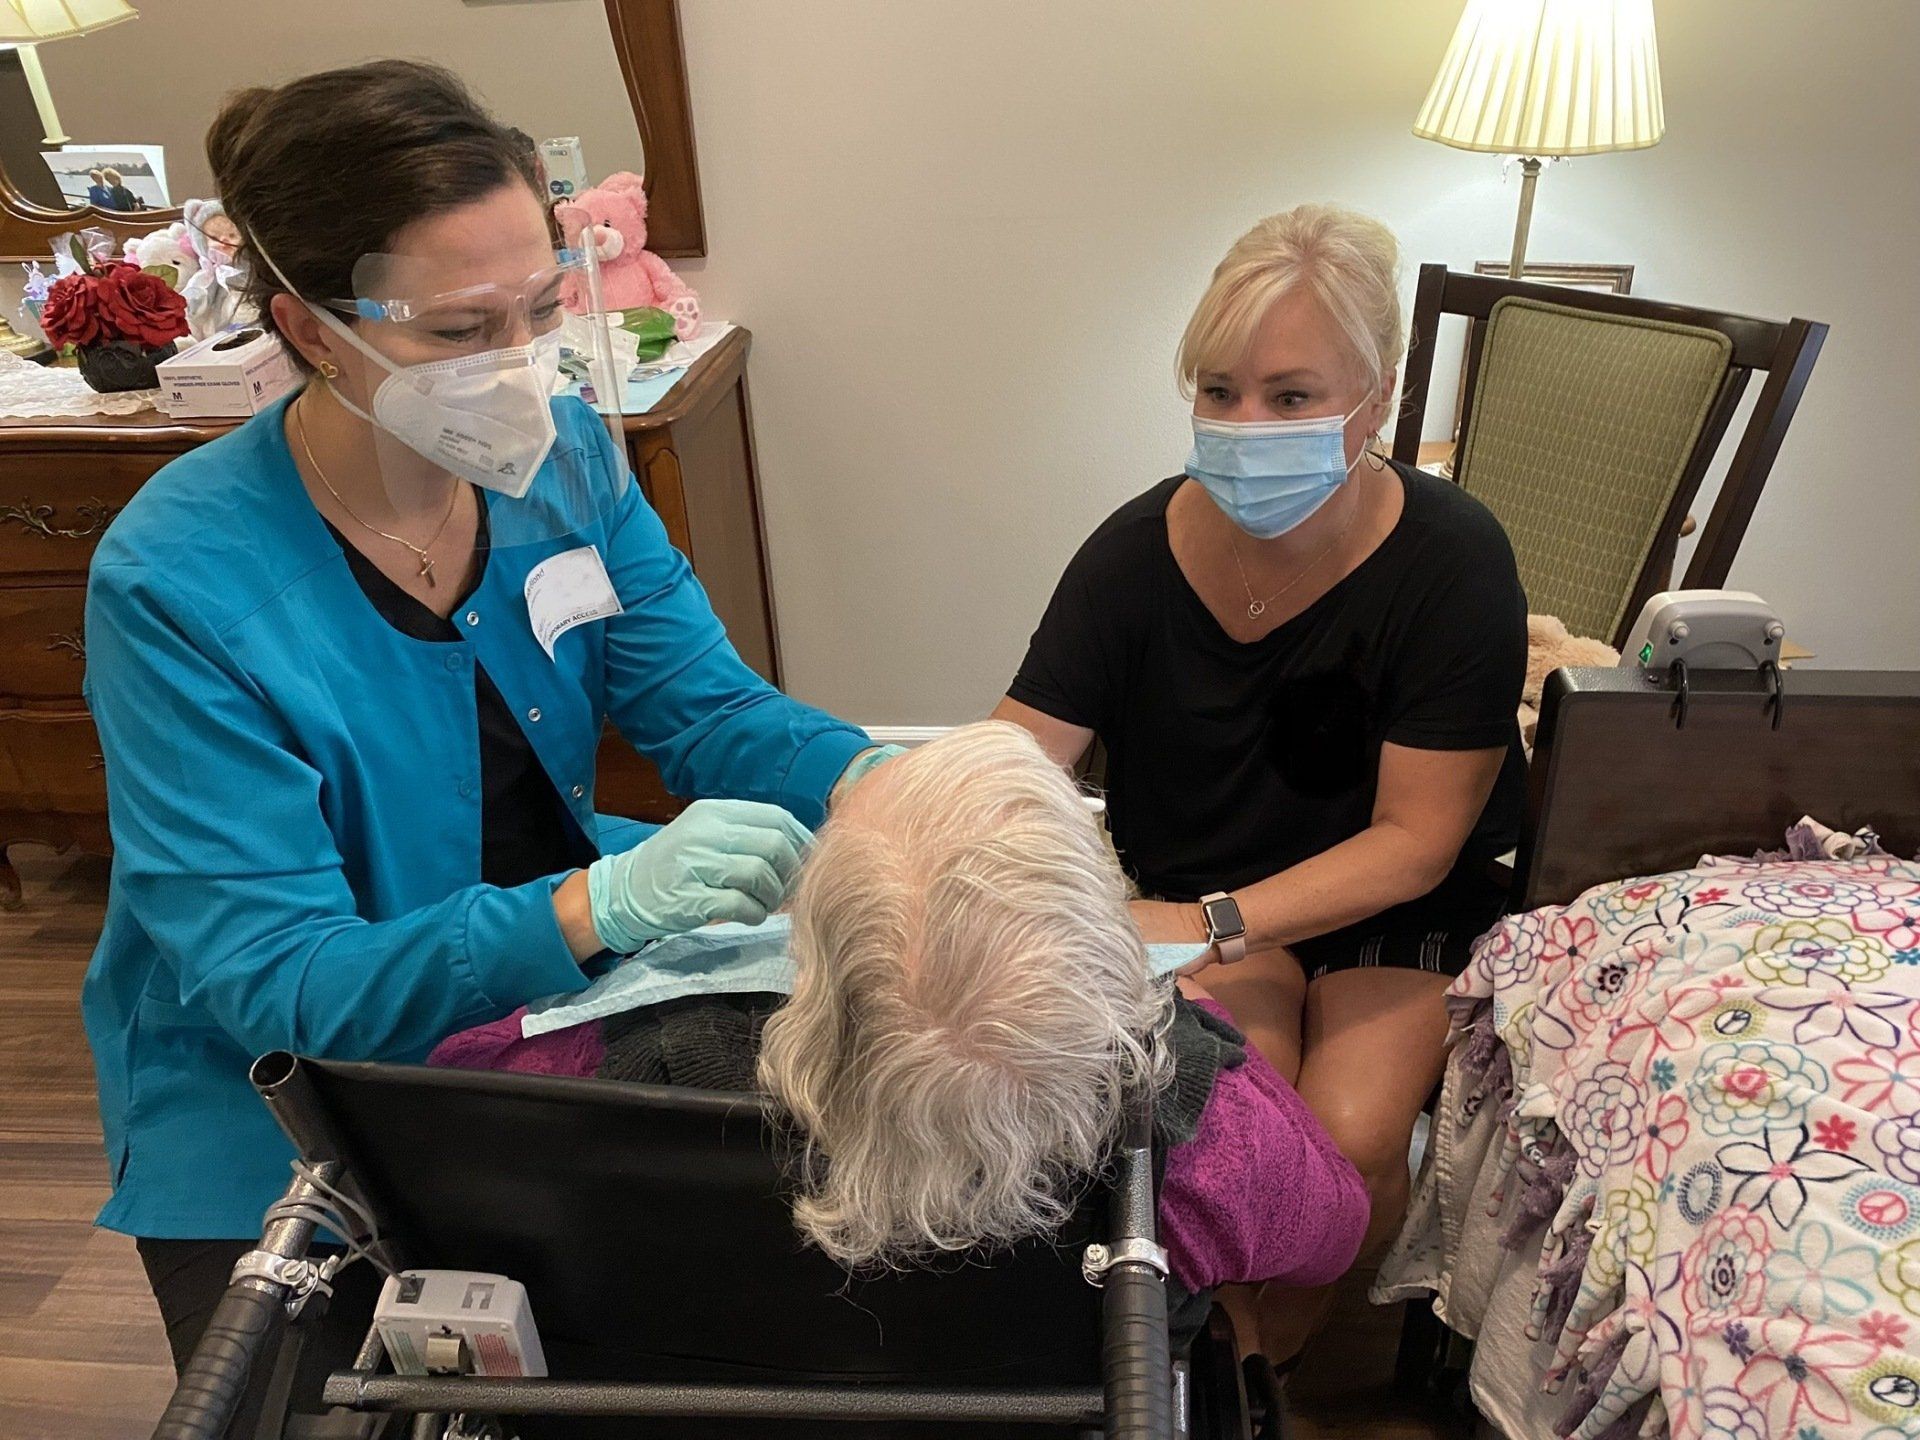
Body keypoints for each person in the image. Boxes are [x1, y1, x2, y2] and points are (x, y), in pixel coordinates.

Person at [81, 59, 891, 1393]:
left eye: (540, 309)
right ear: (310, 328)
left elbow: (710, 711)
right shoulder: (179, 582)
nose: (519, 368)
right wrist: (593, 908)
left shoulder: (565, 461)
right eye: (461, 330)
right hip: (274, 1093)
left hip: (539, 1003)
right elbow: (283, 980)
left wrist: (882, 782)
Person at [994, 205, 1526, 1364]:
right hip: (1204, 887)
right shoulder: (1132, 553)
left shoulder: (1456, 559)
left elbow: (1417, 844)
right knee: (1230, 1121)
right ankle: (1217, 1361)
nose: (1247, 426)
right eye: (1219, 391)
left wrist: (1200, 927)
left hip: (1396, 906)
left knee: (1350, 1138)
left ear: (1374, 400)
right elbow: (1008, 761)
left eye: (1291, 397)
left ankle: (1258, 1366)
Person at [434, 722, 1370, 1313]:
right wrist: (1191, 1010)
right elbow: (1331, 1234)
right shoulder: (1211, 1132)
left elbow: (445, 1112)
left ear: (809, 951)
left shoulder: (601, 1074)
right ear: (1104, 945)